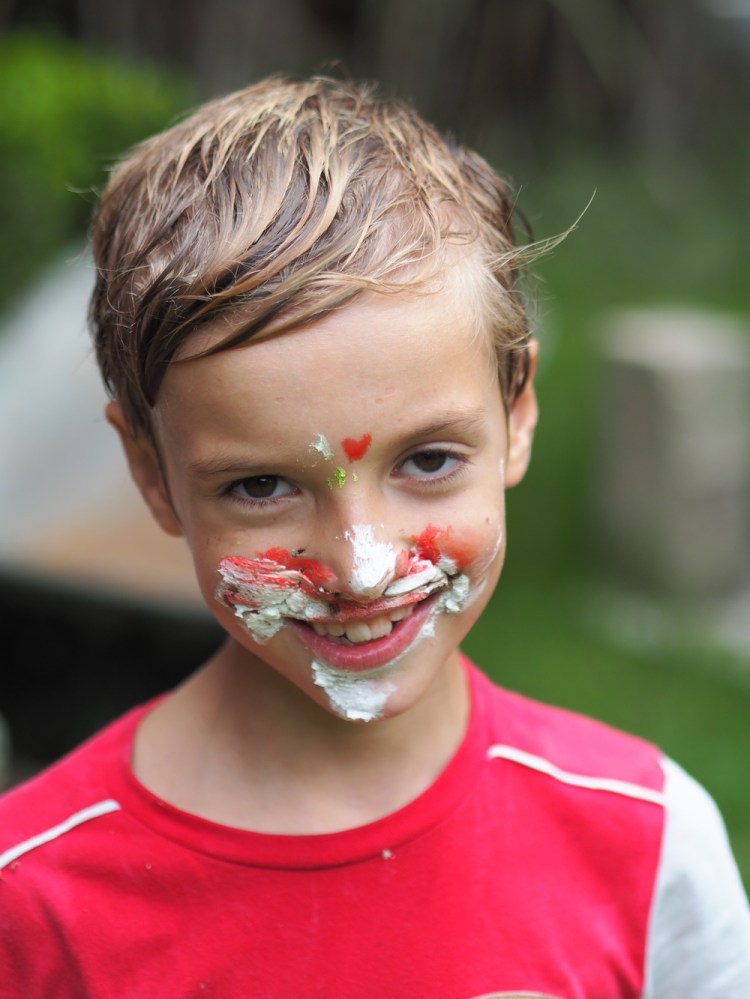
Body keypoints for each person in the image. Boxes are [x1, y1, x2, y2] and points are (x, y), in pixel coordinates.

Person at [0, 77, 748, 999]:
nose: (360, 565)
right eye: (262, 485)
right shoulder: (32, 901)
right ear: (153, 473)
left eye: (428, 461)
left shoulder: (647, 839)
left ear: (516, 414)